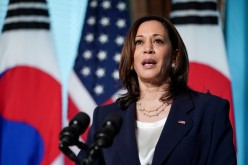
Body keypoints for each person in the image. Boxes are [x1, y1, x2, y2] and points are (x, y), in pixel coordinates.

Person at [76, 16, 237, 165]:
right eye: (139, 42)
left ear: (175, 56)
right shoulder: (105, 118)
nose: (148, 49)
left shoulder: (209, 111)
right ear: (131, 58)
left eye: (158, 41)